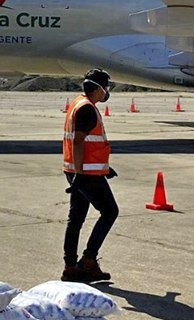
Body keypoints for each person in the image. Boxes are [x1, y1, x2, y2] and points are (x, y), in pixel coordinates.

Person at [61, 68, 119, 283]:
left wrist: (104, 167)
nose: (107, 91)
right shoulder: (87, 109)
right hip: (84, 174)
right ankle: (88, 261)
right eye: (106, 87)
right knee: (110, 212)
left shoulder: (79, 102)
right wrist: (79, 175)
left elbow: (88, 145)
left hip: (81, 170)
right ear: (97, 89)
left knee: (75, 219)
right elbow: (77, 141)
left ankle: (70, 267)